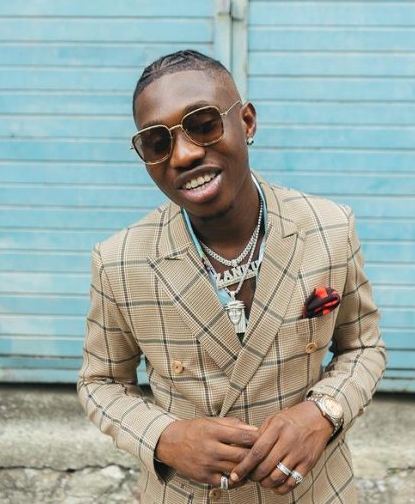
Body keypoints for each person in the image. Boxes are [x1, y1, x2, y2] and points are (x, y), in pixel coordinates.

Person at [77, 50, 387, 504]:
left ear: (247, 122)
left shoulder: (330, 228)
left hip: (313, 491)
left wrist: (323, 412)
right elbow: (100, 382)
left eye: (204, 125)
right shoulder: (120, 261)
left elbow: (362, 347)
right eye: (157, 143)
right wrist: (165, 438)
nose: (184, 154)